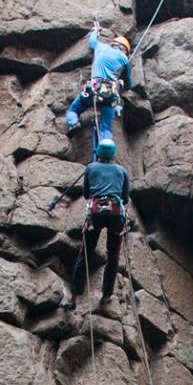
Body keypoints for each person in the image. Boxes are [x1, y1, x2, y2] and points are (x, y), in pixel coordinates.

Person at [49, 135, 130, 309]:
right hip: (116, 213)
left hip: (96, 213)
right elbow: (124, 197)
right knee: (113, 256)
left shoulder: (91, 168)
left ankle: (73, 297)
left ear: (98, 153)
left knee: (84, 254)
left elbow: (86, 194)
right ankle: (107, 294)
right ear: (114, 154)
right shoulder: (122, 171)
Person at [64, 25, 132, 143]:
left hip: (93, 89)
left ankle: (74, 123)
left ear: (113, 44)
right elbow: (128, 84)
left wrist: (95, 30)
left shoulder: (100, 47)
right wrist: (121, 83)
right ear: (125, 50)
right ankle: (106, 150)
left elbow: (92, 41)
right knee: (106, 126)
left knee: (73, 111)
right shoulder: (125, 59)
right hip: (109, 94)